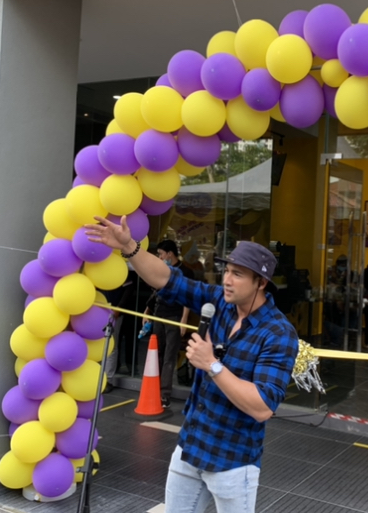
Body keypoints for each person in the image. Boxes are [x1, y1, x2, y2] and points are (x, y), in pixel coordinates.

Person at [85, 216, 299, 513]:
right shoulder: (221, 302)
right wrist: (129, 247)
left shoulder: (278, 333)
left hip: (233, 461)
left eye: (237, 274)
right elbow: (167, 279)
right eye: (227, 270)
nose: (227, 279)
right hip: (190, 447)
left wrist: (212, 365)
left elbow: (262, 407)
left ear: (261, 283)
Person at [142, 240, 194, 408]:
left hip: (174, 317)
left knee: (169, 357)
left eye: (161, 254)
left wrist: (183, 320)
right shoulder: (162, 270)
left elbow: (188, 298)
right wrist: (147, 311)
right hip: (159, 316)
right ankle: (153, 389)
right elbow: (156, 292)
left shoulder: (185, 272)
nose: (160, 257)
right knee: (157, 355)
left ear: (170, 253)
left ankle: (164, 395)